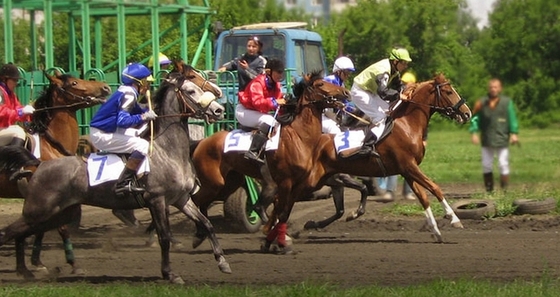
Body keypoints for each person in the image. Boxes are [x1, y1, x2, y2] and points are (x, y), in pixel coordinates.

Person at [89, 63, 157, 195]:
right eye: (146, 82)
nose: (148, 86)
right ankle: (123, 183)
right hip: (102, 134)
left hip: (107, 131)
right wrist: (144, 116)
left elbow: (137, 110)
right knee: (142, 144)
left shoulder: (128, 91)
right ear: (139, 82)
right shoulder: (129, 94)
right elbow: (123, 121)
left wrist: (148, 112)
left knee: (137, 135)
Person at [348, 47, 412, 158]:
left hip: (370, 92)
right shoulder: (384, 70)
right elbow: (382, 92)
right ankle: (366, 147)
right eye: (404, 63)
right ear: (396, 61)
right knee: (380, 117)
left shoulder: (394, 69)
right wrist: (399, 95)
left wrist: (407, 90)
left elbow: (398, 85)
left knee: (389, 111)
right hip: (359, 91)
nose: (405, 66)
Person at [469, 78, 519, 192]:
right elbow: (475, 118)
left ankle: (504, 190)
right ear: (488, 88)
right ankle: (489, 190)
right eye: (491, 87)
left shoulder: (506, 102)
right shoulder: (481, 102)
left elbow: (512, 118)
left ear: (500, 88)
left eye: (496, 87)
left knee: (503, 164)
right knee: (486, 164)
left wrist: (514, 133)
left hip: (502, 137)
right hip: (487, 138)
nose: (493, 89)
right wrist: (474, 132)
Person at [376, 71, 419, 201]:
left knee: (412, 166)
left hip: (410, 137)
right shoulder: (397, 97)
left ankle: (408, 192)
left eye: (408, 84)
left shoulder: (414, 101)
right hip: (396, 134)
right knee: (395, 162)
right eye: (404, 84)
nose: (406, 86)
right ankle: (390, 192)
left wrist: (424, 138)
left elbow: (418, 122)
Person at [235, 58, 286, 164]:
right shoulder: (257, 83)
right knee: (269, 121)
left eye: (282, 72)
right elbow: (258, 103)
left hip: (256, 111)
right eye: (278, 72)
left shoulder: (276, 86)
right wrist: (276, 102)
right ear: (269, 72)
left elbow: (278, 106)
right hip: (244, 111)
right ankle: (253, 151)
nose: (281, 75)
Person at [0, 63, 34, 147]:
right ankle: (11, 159)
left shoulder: (11, 95)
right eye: (14, 80)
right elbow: (2, 112)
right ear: (4, 79)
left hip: (4, 129)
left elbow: (18, 108)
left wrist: (27, 116)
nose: (16, 83)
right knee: (18, 132)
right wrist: (20, 112)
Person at [322, 56, 355, 134]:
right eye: (346, 72)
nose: (348, 75)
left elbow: (345, 102)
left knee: (347, 132)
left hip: (331, 115)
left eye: (349, 73)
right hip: (322, 115)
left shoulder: (341, 84)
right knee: (335, 131)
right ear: (338, 71)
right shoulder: (329, 80)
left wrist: (352, 108)